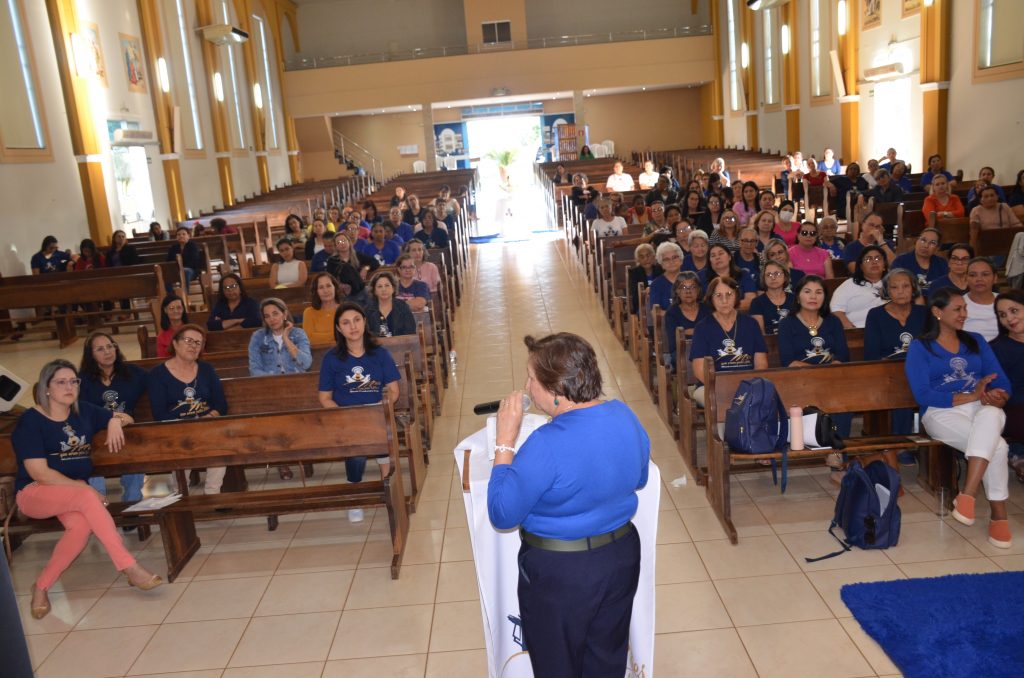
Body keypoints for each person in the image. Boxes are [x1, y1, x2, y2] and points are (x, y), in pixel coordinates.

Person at [488, 332, 648, 678]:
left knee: (557, 664)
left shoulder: (545, 443)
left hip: (561, 573)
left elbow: (502, 513)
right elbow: (638, 478)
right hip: (620, 557)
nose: (527, 387)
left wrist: (504, 442)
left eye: (532, 378)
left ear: (557, 389)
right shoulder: (624, 415)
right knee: (606, 657)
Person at [14, 360, 163, 619]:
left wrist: (115, 421)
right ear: (46, 388)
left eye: (74, 381)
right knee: (86, 495)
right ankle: (129, 566)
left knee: (81, 528)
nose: (69, 387)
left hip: (71, 495)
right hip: (35, 492)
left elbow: (126, 416)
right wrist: (85, 490)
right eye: (61, 382)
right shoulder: (31, 420)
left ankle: (40, 587)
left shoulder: (85, 412)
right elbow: (39, 472)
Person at [905, 289, 1013, 548]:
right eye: (957, 309)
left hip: (980, 408)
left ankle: (968, 495)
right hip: (940, 412)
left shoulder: (975, 341)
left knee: (993, 413)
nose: (964, 314)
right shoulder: (921, 347)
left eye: (965, 308)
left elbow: (1001, 380)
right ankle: (998, 516)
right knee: (998, 447)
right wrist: (971, 395)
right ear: (937, 312)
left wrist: (998, 395)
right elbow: (922, 394)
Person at [318, 302, 400, 522]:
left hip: (376, 415)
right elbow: (324, 398)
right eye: (345, 322)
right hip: (347, 418)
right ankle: (355, 493)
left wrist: (380, 410)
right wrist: (344, 416)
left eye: (356, 320)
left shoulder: (380, 354)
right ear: (338, 328)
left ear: (364, 322)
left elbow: (393, 391)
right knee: (357, 450)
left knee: (383, 441)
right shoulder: (332, 358)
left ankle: (388, 492)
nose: (352, 326)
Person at [147, 324, 228, 494]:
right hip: (175, 429)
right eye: (188, 340)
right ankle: (180, 494)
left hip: (206, 426)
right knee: (184, 444)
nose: (193, 345)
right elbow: (159, 414)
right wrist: (187, 425)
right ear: (175, 343)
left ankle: (212, 495)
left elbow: (221, 404)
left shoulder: (206, 370)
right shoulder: (158, 374)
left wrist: (209, 417)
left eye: (198, 343)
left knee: (219, 446)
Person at [79, 332, 147, 504]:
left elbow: (160, 382)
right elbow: (80, 412)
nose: (107, 352)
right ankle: (98, 504)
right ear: (91, 355)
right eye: (100, 349)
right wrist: (110, 420)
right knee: (86, 452)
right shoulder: (82, 380)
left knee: (135, 448)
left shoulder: (133, 373)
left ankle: (132, 503)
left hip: (126, 431)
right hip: (94, 436)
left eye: (110, 346)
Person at [689, 276, 768, 407]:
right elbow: (699, 371)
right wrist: (726, 389)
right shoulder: (702, 328)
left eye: (729, 294)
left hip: (748, 385)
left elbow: (761, 364)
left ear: (737, 296)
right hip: (711, 386)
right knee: (723, 403)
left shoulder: (751, 324)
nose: (724, 300)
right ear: (711, 298)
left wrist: (748, 387)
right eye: (718, 295)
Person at [778, 275, 848, 366]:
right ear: (798, 297)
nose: (813, 296)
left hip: (832, 375)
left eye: (818, 292)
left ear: (825, 298)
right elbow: (787, 361)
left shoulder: (834, 321)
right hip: (800, 377)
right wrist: (816, 373)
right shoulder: (786, 324)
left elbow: (843, 356)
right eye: (807, 292)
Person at [992, 290, 1024, 482]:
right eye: (1002, 315)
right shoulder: (997, 348)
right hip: (1014, 409)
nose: (1009, 318)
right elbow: (999, 391)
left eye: (1014, 311)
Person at [831, 245, 887, 328]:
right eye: (868, 259)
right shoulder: (849, 285)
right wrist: (853, 332)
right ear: (861, 266)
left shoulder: (892, 284)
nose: (874, 262)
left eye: (878, 258)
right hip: (857, 332)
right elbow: (836, 310)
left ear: (884, 265)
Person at [665, 273, 709, 365]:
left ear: (698, 290)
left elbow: (713, 334)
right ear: (677, 291)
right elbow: (673, 344)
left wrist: (686, 332)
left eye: (692, 287)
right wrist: (701, 332)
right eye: (683, 287)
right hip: (681, 353)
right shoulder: (672, 313)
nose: (688, 291)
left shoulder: (707, 309)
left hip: (707, 351)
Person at [892, 227, 949, 294]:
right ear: (916, 241)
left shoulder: (942, 264)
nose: (926, 245)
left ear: (937, 248)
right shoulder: (901, 262)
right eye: (923, 240)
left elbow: (947, 290)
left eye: (932, 243)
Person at [700, 243, 756, 309]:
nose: (717, 257)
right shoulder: (701, 276)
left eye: (721, 254)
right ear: (709, 261)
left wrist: (726, 308)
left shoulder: (743, 274)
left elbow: (750, 300)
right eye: (713, 255)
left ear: (729, 257)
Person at [365, 270, 416, 337]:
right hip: (377, 347)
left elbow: (410, 332)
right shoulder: (368, 310)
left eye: (387, 285)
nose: (384, 289)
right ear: (374, 291)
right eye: (379, 286)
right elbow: (366, 336)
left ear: (393, 288)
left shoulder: (403, 307)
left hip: (401, 345)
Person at [749, 262, 794, 334]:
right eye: (768, 275)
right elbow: (760, 335)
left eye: (777, 273)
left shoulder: (795, 300)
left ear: (785, 276)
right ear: (763, 279)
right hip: (769, 344)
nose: (773, 277)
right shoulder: (757, 303)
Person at [302, 272, 343, 345]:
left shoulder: (345, 310)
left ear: (335, 287)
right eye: (321, 287)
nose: (326, 291)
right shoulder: (309, 312)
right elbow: (309, 338)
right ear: (316, 291)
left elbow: (348, 335)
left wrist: (319, 336)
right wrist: (336, 334)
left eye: (328, 286)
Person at [963, 257, 999, 340]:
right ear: (966, 279)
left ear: (995, 278)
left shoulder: (1006, 302)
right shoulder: (958, 304)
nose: (979, 279)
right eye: (973, 275)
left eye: (985, 274)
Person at [648, 242, 685, 318]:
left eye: (675, 257)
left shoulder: (691, 279)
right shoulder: (656, 285)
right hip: (668, 325)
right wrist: (678, 316)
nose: (671, 262)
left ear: (681, 260)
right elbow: (655, 312)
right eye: (666, 259)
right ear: (662, 265)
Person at [627, 243, 662, 316]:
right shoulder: (634, 273)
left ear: (653, 256)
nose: (645, 259)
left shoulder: (661, 270)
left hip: (660, 303)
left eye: (648, 255)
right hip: (642, 305)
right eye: (641, 257)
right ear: (637, 260)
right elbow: (635, 294)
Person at [155, 293, 188, 358]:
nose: (176, 311)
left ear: (183, 309)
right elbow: (161, 360)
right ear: (165, 310)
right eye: (171, 308)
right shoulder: (161, 337)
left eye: (179, 307)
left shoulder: (192, 331)